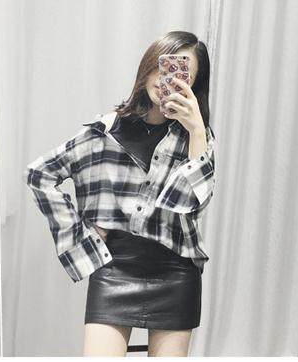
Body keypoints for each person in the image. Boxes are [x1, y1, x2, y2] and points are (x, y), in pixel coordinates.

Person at [24, 31, 216, 356]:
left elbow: (193, 205)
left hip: (175, 271)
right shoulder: (105, 131)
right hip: (115, 269)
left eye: (181, 73)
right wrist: (82, 236)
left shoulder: (195, 137)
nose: (166, 80)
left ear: (193, 85)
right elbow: (40, 174)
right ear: (148, 66)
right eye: (163, 66)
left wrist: (196, 129)